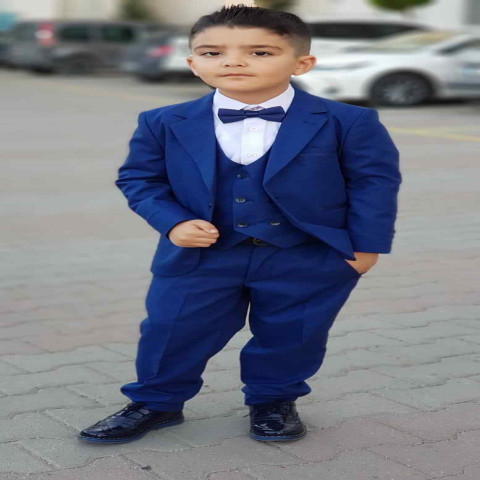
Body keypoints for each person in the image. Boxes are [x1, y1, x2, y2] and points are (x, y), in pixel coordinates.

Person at [78, 4, 401, 444]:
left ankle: (273, 400)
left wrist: (365, 249)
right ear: (193, 64)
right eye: (212, 53)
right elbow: (139, 179)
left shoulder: (348, 121)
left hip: (307, 253)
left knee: (293, 333)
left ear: (302, 63)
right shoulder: (162, 122)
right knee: (171, 329)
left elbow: (373, 184)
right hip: (200, 255)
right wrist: (173, 223)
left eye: (259, 52)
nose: (233, 62)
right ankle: (156, 401)